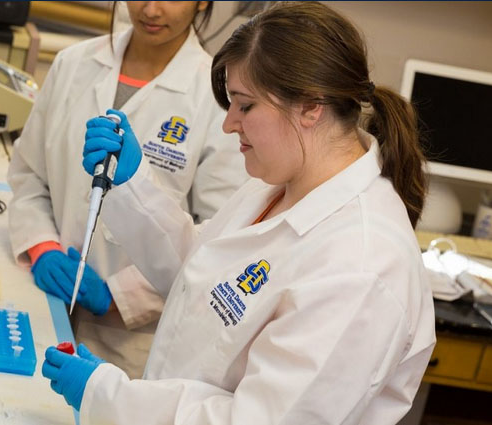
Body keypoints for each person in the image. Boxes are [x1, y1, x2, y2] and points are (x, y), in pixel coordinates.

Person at [42, 2, 436, 424]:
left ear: (310, 106)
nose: (229, 123)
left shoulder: (361, 268)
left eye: (245, 106)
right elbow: (201, 271)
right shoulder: (283, 184)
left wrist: (110, 395)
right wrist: (133, 184)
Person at [7, 1, 248, 378]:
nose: (151, 10)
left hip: (129, 342)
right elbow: (27, 175)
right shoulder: (73, 64)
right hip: (43, 299)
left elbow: (218, 241)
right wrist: (41, 247)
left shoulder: (217, 99)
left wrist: (118, 296)